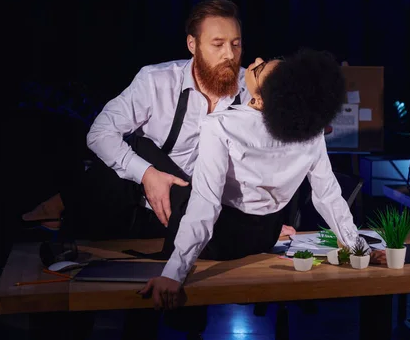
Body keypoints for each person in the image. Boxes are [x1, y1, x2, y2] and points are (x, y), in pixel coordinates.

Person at [138, 49, 387, 310]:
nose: (255, 61)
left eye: (259, 69)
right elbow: (328, 196)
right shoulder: (311, 134)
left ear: (259, 99)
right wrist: (359, 248)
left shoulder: (219, 125)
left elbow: (206, 203)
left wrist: (173, 274)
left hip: (218, 243)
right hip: (265, 235)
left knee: (142, 147)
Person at [21, 0, 261, 239]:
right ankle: (56, 214)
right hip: (134, 200)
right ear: (192, 44)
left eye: (236, 44)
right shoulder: (156, 81)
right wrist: (147, 174)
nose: (229, 55)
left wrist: (259, 221)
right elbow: (99, 133)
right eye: (218, 44)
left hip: (194, 208)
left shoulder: (250, 87)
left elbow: (260, 161)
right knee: (136, 151)